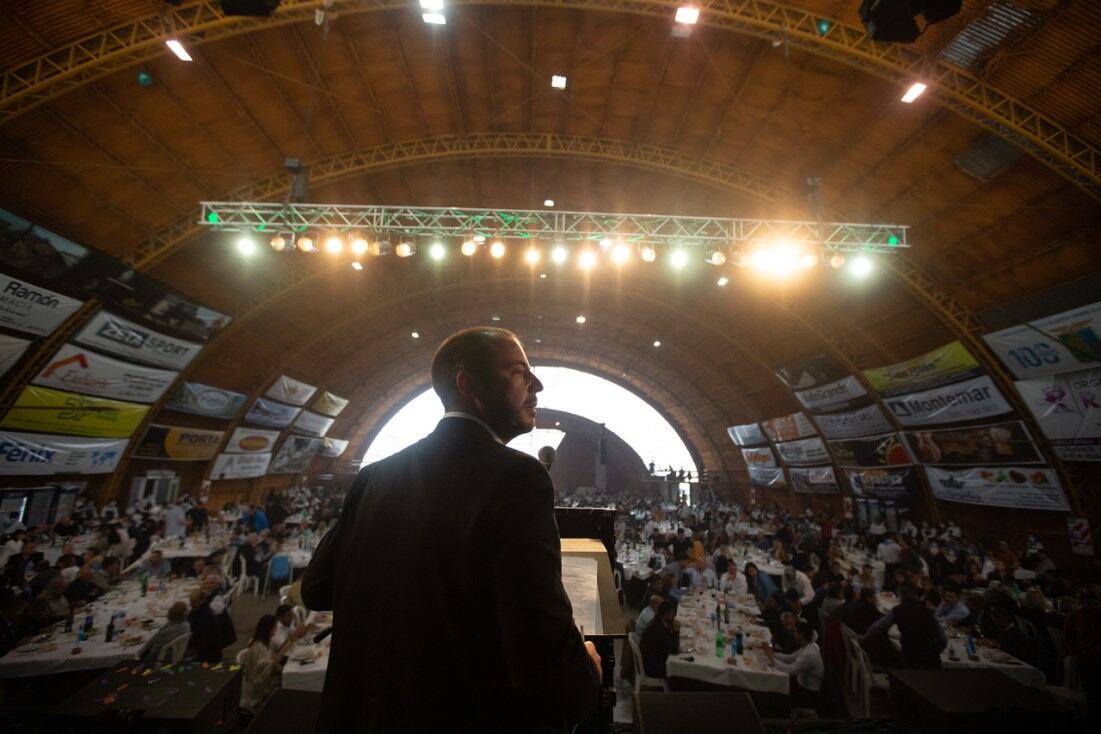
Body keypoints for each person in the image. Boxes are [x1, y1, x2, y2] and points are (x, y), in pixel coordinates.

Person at [302, 327, 601, 732]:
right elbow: (536, 655)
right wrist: (585, 671)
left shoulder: (375, 476)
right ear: (468, 385)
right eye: (518, 372)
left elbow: (317, 588)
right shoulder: (519, 477)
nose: (538, 385)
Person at [862, 584, 946, 668]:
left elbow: (878, 627)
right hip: (932, 660)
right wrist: (935, 650)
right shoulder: (927, 611)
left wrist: (864, 639)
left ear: (901, 597)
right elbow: (942, 639)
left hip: (911, 658)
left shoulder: (898, 610)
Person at [240, 614, 307, 714]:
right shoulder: (258, 647)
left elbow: (271, 661)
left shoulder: (264, 643)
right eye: (275, 627)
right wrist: (288, 644)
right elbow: (263, 675)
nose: (276, 630)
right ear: (270, 629)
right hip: (258, 695)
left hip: (263, 683)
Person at [765, 620, 823, 710]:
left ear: (801, 634)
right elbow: (789, 657)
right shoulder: (807, 647)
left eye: (795, 632)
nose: (794, 635)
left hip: (807, 693)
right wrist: (771, 653)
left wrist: (772, 659)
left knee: (776, 690)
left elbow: (791, 670)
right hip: (800, 683)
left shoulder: (809, 653)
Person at [639, 600, 679, 678]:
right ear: (666, 614)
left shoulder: (657, 621)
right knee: (680, 669)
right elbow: (674, 650)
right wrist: (676, 631)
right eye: (672, 614)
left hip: (651, 660)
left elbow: (665, 640)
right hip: (652, 668)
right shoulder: (658, 628)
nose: (673, 617)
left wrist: (671, 630)